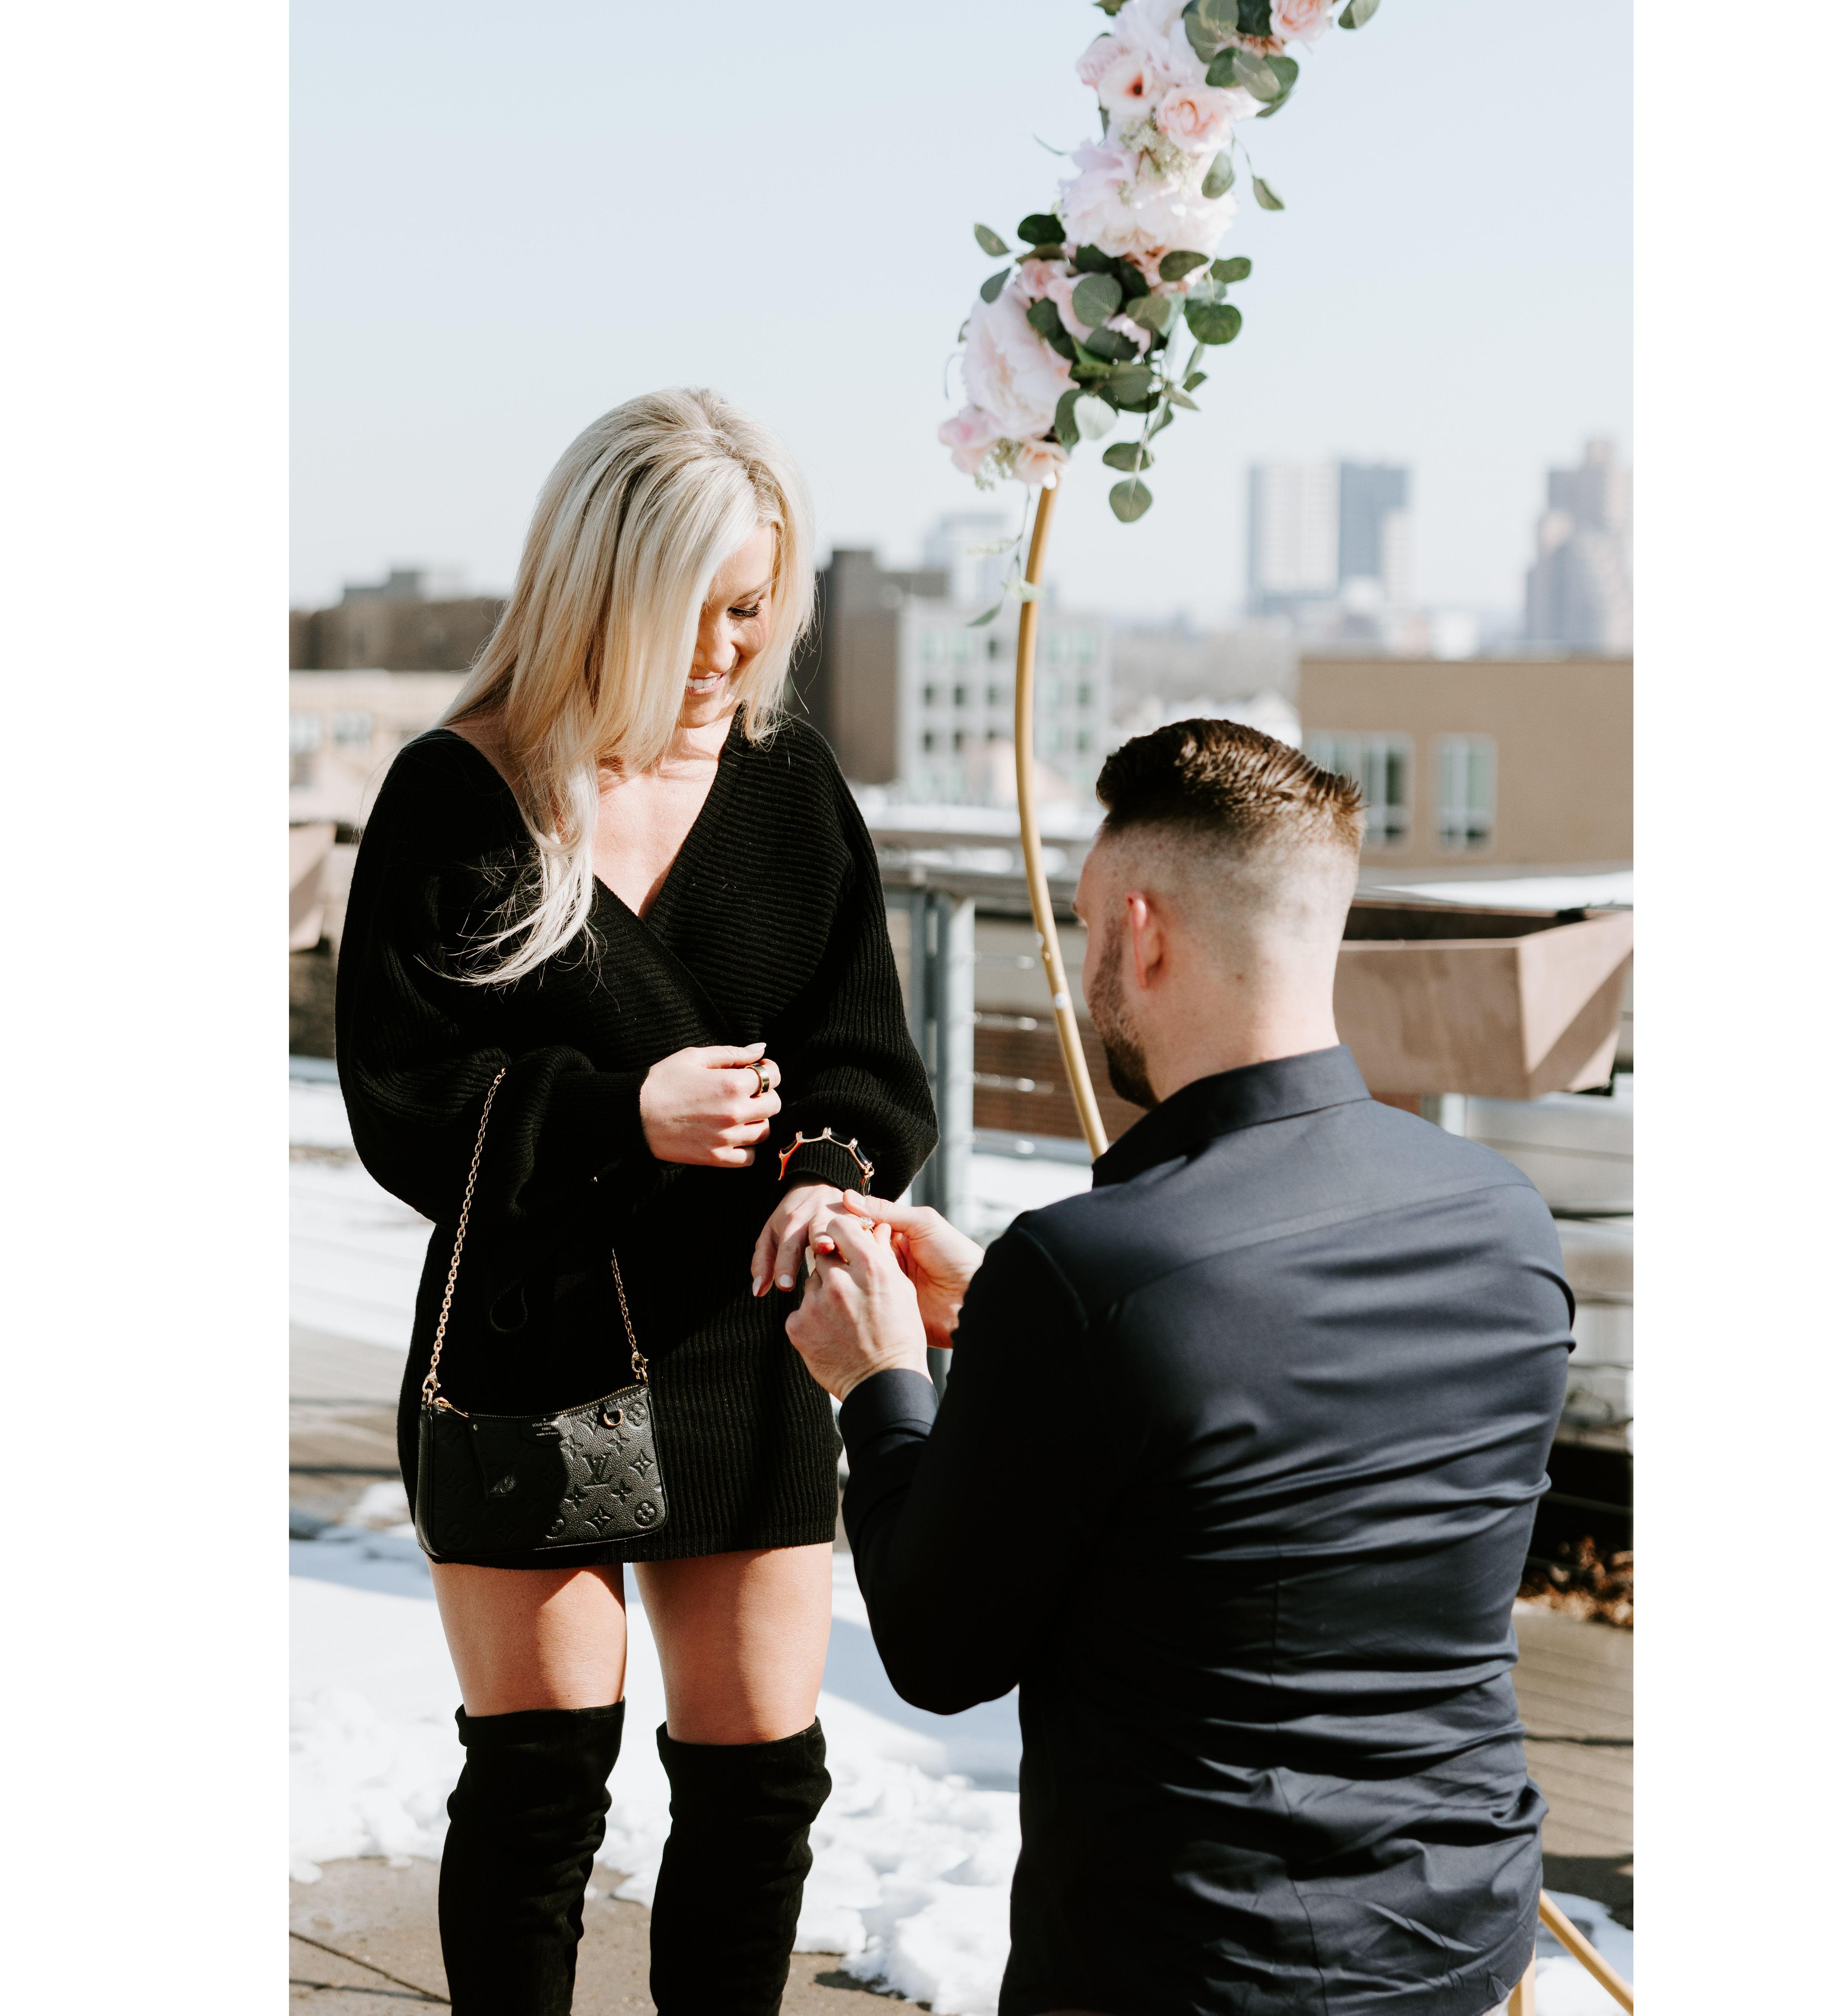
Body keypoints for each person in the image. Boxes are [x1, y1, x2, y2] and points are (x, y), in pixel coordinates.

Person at [785, 718, 1572, 2016]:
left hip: (1191, 1965)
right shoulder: (1503, 1218)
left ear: (1141, 933)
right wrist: (1012, 1330)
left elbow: (935, 1645)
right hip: (1460, 1943)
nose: (1087, 953)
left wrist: (880, 1377)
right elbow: (1277, 1452)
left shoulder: (1090, 1272)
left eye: (1088, 922)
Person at [334, 387, 937, 2016]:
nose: (733, 652)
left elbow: (867, 1064)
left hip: (744, 1343)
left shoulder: (791, 785)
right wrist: (623, 1114)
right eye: (705, 609)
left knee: (759, 1791)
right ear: (607, 589)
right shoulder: (459, 795)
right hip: (533, 1350)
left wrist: (825, 1183)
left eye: (758, 609)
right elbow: (401, 1100)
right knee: (539, 1791)